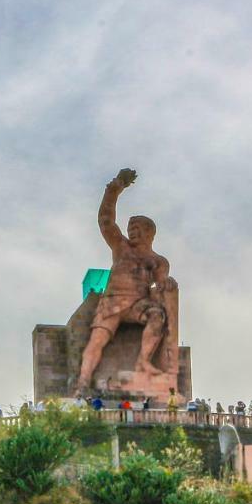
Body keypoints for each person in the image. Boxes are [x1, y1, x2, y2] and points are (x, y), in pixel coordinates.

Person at [74, 169, 176, 394]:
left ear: (150, 233)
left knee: (157, 315)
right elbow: (106, 221)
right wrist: (114, 189)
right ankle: (82, 382)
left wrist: (166, 285)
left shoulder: (157, 261)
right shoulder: (121, 248)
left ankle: (143, 362)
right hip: (112, 301)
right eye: (130, 229)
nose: (132, 233)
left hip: (138, 304)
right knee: (97, 339)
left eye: (137, 229)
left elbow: (159, 287)